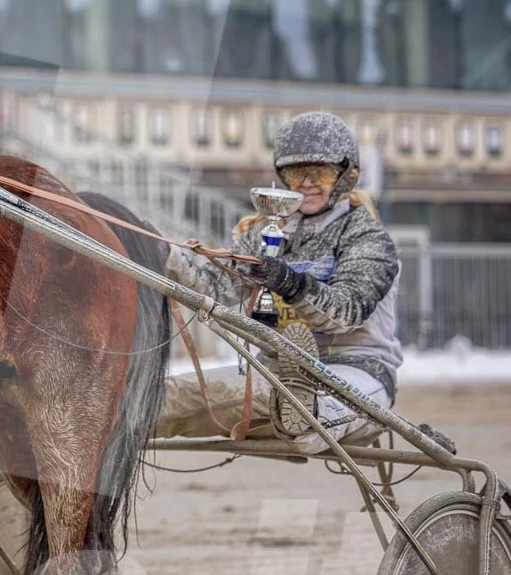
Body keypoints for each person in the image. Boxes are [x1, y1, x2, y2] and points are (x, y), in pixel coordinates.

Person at [157, 111, 423, 453]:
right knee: (165, 398)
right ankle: (113, 413)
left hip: (355, 371)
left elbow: (345, 313)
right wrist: (162, 253)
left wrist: (290, 282)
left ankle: (301, 409)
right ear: (283, 176)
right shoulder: (266, 233)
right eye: (297, 172)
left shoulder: (367, 237)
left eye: (322, 172)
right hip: (272, 374)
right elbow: (216, 288)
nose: (308, 182)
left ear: (345, 175)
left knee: (310, 414)